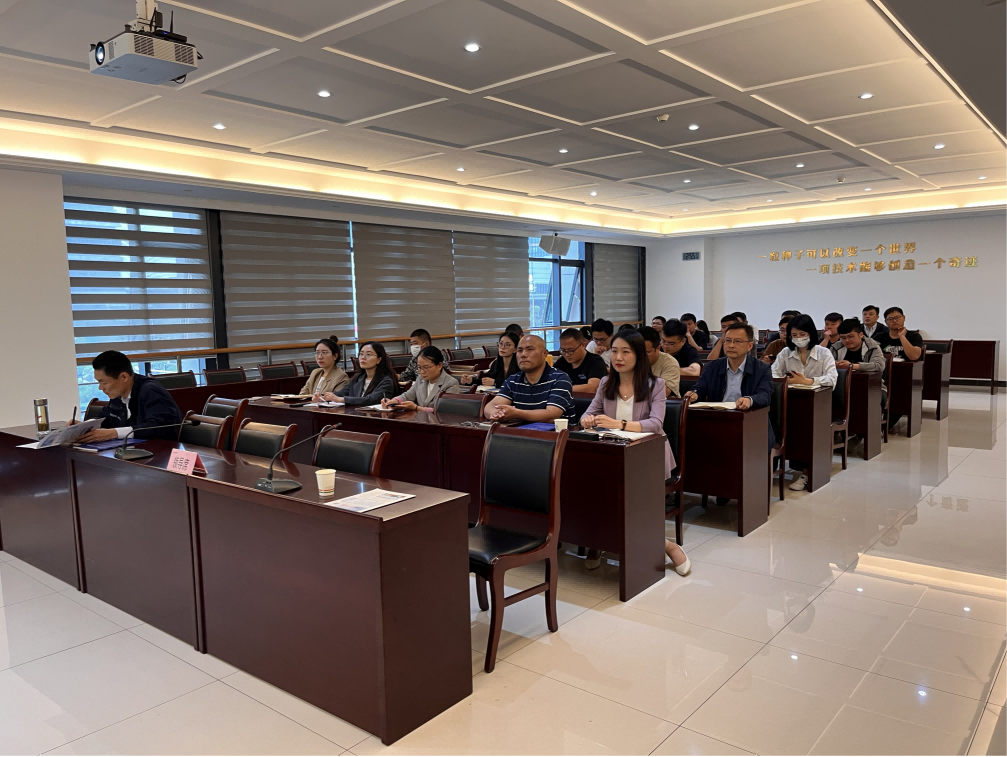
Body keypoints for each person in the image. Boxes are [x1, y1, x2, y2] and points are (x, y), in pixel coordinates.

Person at [580, 331, 688, 576]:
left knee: (633, 500)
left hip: (647, 455)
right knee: (595, 491)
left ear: (638, 355)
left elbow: (656, 424)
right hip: (614, 453)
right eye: (614, 351)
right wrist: (588, 420)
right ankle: (599, 541)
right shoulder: (606, 383)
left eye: (625, 352)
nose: (618, 357)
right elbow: (588, 413)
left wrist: (619, 424)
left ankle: (666, 545)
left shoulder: (655, 385)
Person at [684, 322, 775, 479]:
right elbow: (700, 388)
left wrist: (749, 400)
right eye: (727, 341)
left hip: (751, 424)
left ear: (749, 346)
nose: (731, 345)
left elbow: (765, 395)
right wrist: (693, 394)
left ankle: (739, 483)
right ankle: (711, 481)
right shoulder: (713, 367)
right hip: (719, 422)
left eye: (737, 341)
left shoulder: (761, 368)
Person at [771, 314, 838, 491]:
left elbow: (832, 379)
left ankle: (807, 473)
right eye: (794, 335)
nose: (798, 339)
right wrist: (786, 381)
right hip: (790, 402)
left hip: (817, 406)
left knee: (806, 427)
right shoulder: (786, 353)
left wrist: (807, 381)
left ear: (811, 333)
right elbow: (773, 375)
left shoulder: (824, 353)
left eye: (802, 334)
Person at [72, 350, 183, 442]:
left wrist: (114, 433)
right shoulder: (118, 394)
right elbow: (105, 417)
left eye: (104, 383)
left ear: (124, 377)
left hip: (160, 452)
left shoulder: (150, 390)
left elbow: (159, 427)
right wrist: (83, 427)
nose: (100, 388)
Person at [485, 335, 574, 421]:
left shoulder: (560, 379)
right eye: (520, 350)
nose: (523, 355)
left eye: (530, 349)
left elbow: (551, 415)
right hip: (522, 430)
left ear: (544, 354)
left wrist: (517, 413)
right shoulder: (513, 380)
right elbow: (490, 406)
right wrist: (497, 413)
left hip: (556, 430)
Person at [383, 346, 460, 411]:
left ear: (439, 366)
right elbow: (408, 395)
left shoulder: (451, 383)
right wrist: (394, 401)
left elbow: (445, 411)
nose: (422, 372)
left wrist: (417, 408)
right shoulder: (420, 379)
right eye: (419, 367)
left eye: (426, 367)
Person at [332, 342, 397, 406]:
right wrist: (327, 396)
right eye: (361, 354)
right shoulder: (358, 377)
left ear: (379, 359)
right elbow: (340, 393)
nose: (363, 357)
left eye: (368, 354)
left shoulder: (386, 381)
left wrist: (342, 400)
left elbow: (371, 400)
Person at [553, 327, 608, 393]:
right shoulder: (561, 362)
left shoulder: (595, 361)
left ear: (583, 345)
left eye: (571, 350)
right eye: (563, 350)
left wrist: (563, 389)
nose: (567, 354)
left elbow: (593, 388)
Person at [639, 326, 680, 397]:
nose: (641, 356)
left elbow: (665, 392)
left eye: (646, 353)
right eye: (637, 352)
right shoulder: (629, 360)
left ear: (657, 349)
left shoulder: (669, 362)